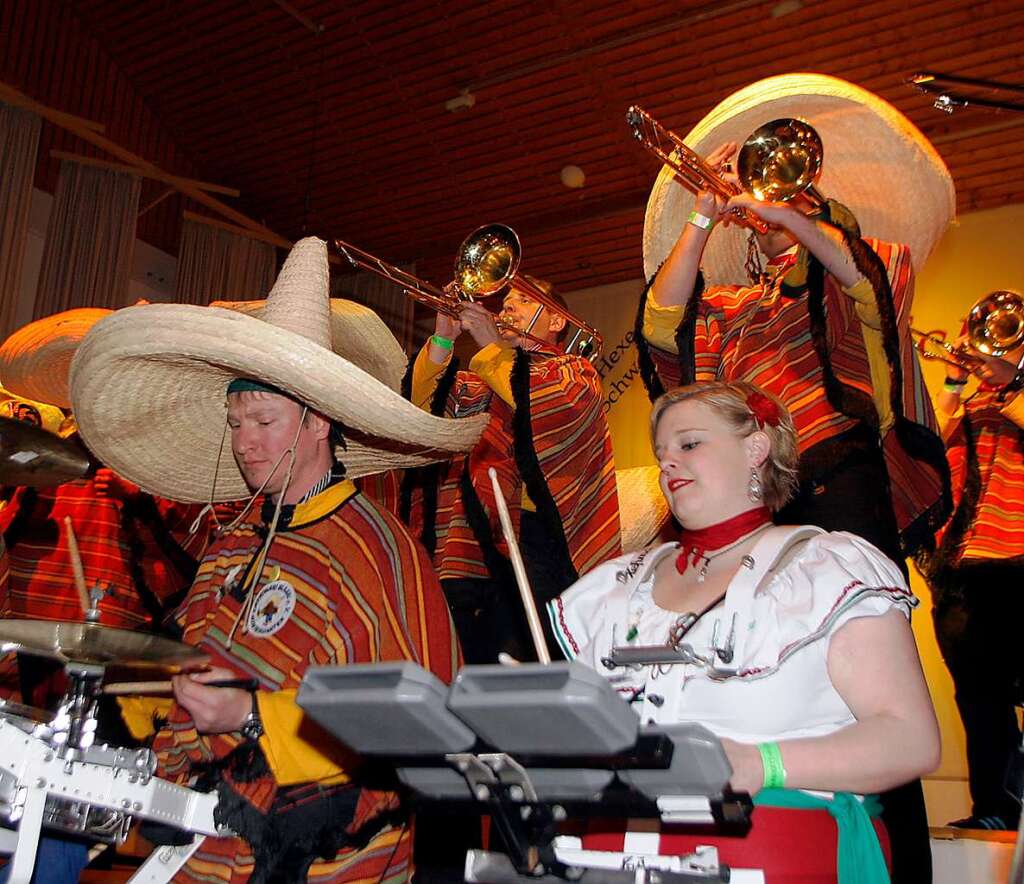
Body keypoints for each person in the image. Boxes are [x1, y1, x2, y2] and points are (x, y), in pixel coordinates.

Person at [67, 237, 481, 882]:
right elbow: (190, 662)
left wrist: (254, 716)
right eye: (235, 425)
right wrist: (137, 696)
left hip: (329, 858)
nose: (245, 444)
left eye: (263, 421)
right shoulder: (232, 540)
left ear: (319, 421)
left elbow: (424, 715)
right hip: (202, 837)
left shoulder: (376, 545)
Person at [548, 380, 940, 882]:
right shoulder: (616, 587)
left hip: (774, 856)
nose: (668, 463)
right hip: (604, 857)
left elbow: (911, 739)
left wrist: (764, 764)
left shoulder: (825, 567)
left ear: (756, 448)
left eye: (689, 444)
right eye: (661, 453)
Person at [634, 73, 952, 572]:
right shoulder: (733, 303)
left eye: (793, 200)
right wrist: (702, 216)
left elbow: (871, 284)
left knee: (860, 625)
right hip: (751, 493)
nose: (773, 212)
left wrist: (792, 215)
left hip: (836, 470)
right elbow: (660, 323)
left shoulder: (853, 267)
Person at [403, 275, 620, 664]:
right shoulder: (483, 380)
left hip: (540, 543)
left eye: (522, 299)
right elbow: (423, 414)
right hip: (470, 541)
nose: (507, 308)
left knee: (524, 671)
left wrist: (491, 345)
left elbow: (548, 406)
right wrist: (443, 339)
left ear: (557, 322)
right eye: (505, 302)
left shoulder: (574, 372)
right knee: (464, 667)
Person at [918, 327, 1024, 832]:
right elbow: (928, 450)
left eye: (1008, 339)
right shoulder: (970, 402)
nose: (991, 349)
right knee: (979, 696)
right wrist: (956, 383)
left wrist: (1013, 383)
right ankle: (996, 809)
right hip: (964, 565)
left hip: (1018, 556)